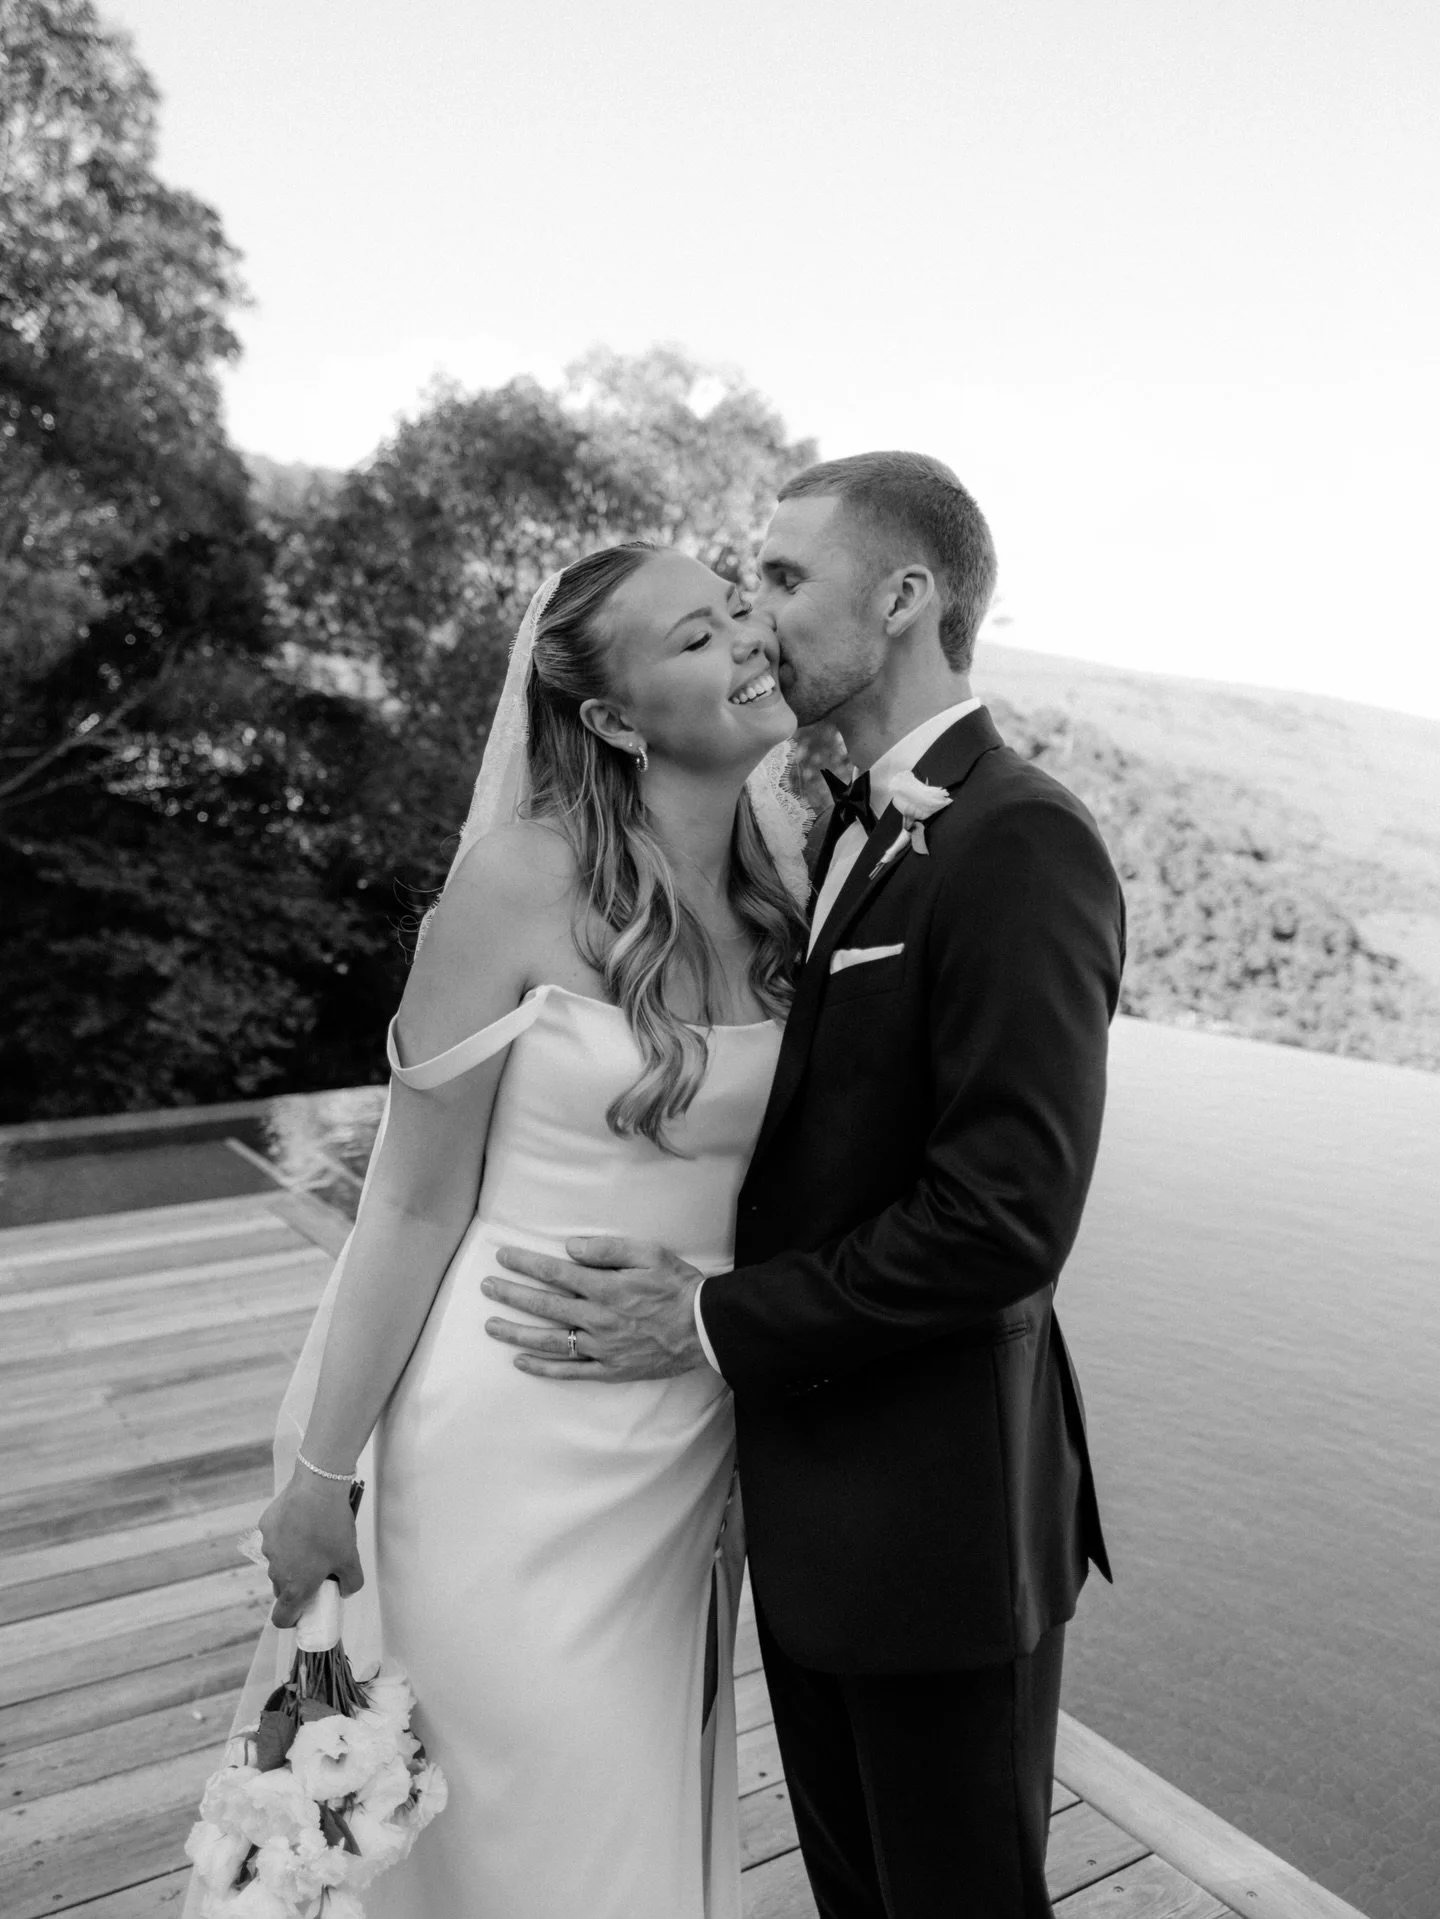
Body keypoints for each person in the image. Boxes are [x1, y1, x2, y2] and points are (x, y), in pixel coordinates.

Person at [481, 453, 1126, 1919]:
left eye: (780, 578)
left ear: (904, 598)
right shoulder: (845, 825)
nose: (755, 616)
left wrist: (707, 1321)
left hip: (942, 1522)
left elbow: (1003, 1222)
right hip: (824, 1512)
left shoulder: (1021, 840)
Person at [241, 542, 811, 1919]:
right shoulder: (517, 881)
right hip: (501, 1434)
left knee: (627, 1829)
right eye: (695, 637)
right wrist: (322, 1471)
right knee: (514, 1842)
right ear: (613, 718)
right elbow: (416, 1196)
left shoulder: (796, 889)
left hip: (682, 1442)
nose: (745, 640)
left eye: (739, 609)